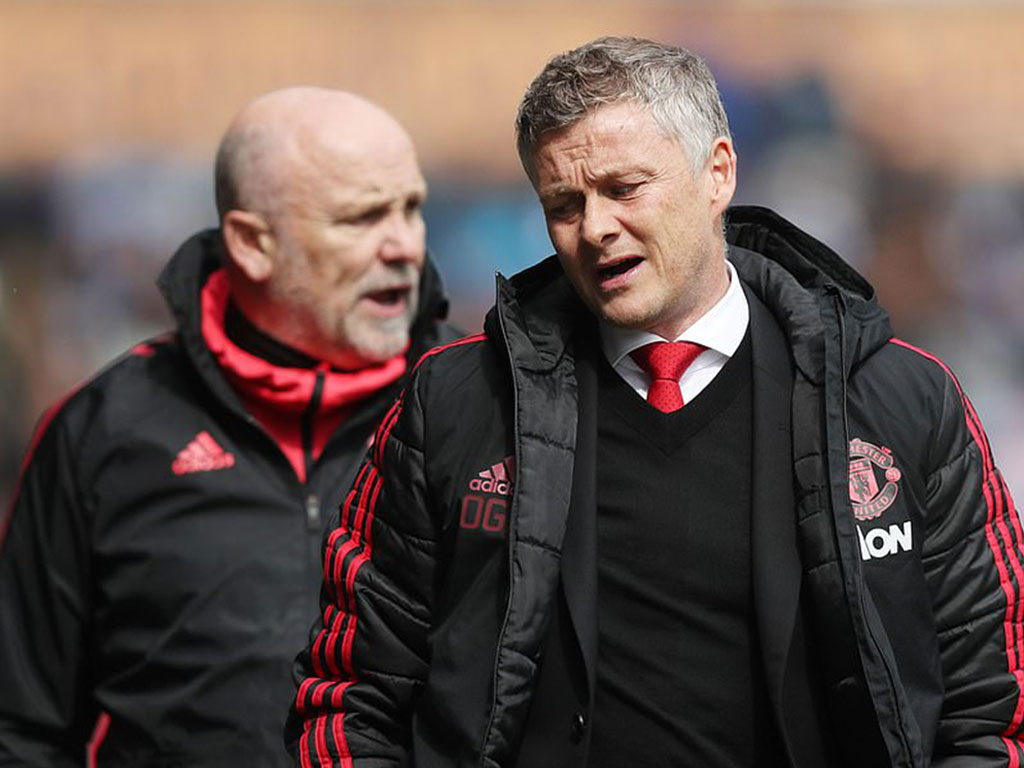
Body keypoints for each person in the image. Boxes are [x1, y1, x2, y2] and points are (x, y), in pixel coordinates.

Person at [287, 38, 1023, 767]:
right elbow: (349, 697)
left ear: (718, 172)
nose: (595, 227)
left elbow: (997, 704)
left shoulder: (903, 400)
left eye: (624, 189)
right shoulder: (454, 402)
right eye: (564, 204)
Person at [0, 86, 460, 767]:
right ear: (251, 244)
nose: (405, 247)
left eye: (412, 208)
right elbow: (21, 726)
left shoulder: (483, 408)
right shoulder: (104, 427)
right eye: (362, 218)